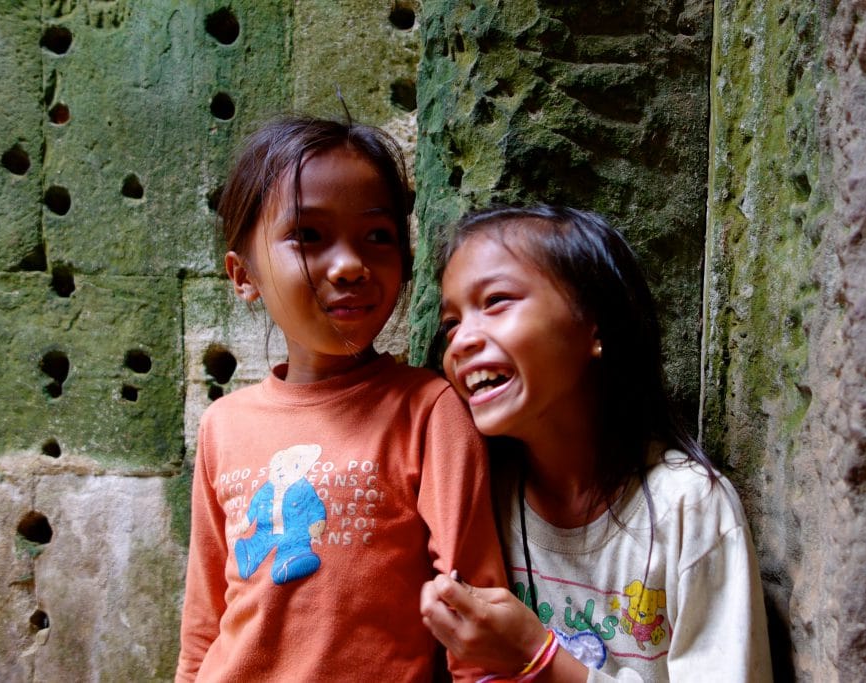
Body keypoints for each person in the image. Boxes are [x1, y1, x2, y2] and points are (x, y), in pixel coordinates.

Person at [176, 114, 506, 682]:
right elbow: (205, 622)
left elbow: (474, 613)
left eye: (378, 237)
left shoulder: (427, 412)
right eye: (308, 235)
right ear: (242, 275)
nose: (351, 264)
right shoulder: (223, 426)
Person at [420, 205, 772, 681]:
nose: (460, 341)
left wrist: (537, 656)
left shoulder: (686, 507)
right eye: (451, 323)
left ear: (596, 326)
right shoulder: (479, 498)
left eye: (497, 301)